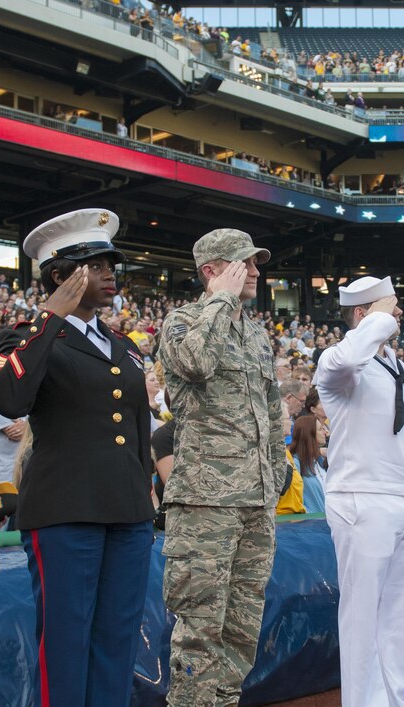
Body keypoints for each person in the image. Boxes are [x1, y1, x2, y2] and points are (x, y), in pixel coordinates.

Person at [0, 208, 155, 706]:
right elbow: (7, 399)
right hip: (65, 510)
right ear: (60, 275)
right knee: (64, 642)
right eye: (96, 265)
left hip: (126, 510)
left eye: (112, 265)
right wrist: (49, 317)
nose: (110, 275)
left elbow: (138, 429)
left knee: (117, 640)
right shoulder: (28, 337)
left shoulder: (125, 346)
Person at [156, 228, 287, 707]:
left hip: (255, 499)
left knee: (242, 623)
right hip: (206, 502)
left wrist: (274, 473)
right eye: (243, 264)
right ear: (212, 271)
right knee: (200, 627)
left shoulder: (253, 331)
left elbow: (272, 410)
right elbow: (194, 362)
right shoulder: (183, 322)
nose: (255, 272)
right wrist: (219, 301)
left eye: (255, 263)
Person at [313, 275, 404, 707]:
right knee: (363, 616)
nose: (399, 315)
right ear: (363, 315)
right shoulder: (337, 361)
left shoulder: (401, 369)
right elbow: (348, 361)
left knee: (400, 617)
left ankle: (392, 700)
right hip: (361, 499)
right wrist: (377, 319)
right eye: (391, 307)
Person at [290, 414, 327, 514]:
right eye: (320, 429)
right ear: (309, 434)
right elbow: (293, 500)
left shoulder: (319, 462)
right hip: (309, 525)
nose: (326, 432)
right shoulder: (295, 464)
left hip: (326, 524)